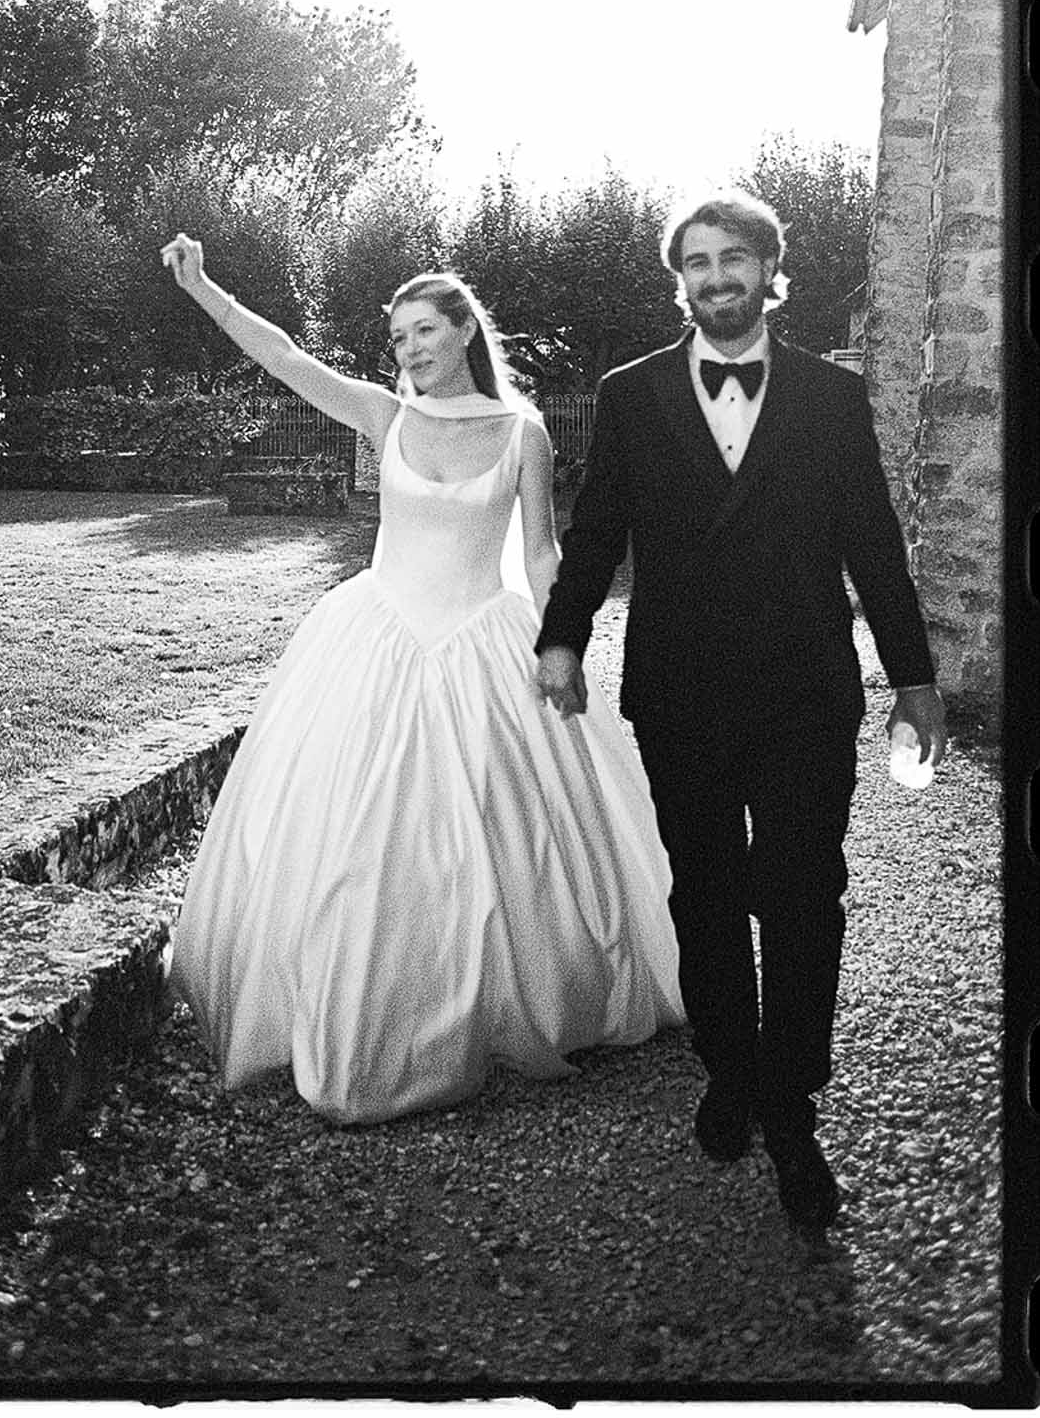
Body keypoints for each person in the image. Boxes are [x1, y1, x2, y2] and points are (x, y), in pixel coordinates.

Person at [159, 231, 683, 1125]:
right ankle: (354, 1007)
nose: (408, 350)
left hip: (486, 638)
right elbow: (282, 355)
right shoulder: (384, 415)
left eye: (423, 332)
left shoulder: (523, 433)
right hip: (379, 639)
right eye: (398, 337)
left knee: (508, 832)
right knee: (356, 831)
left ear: (464, 332)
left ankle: (507, 1004)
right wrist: (205, 290)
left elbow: (543, 553)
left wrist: (562, 645)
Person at [535, 188, 946, 1230]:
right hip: (680, 691)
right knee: (705, 894)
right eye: (698, 262)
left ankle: (791, 1099)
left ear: (769, 271)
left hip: (805, 691)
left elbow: (873, 545)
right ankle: (729, 1068)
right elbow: (595, 533)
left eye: (734, 258)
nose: (716, 276)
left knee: (805, 893)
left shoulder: (826, 396)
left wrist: (912, 676)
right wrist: (561, 635)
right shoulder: (629, 395)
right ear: (682, 279)